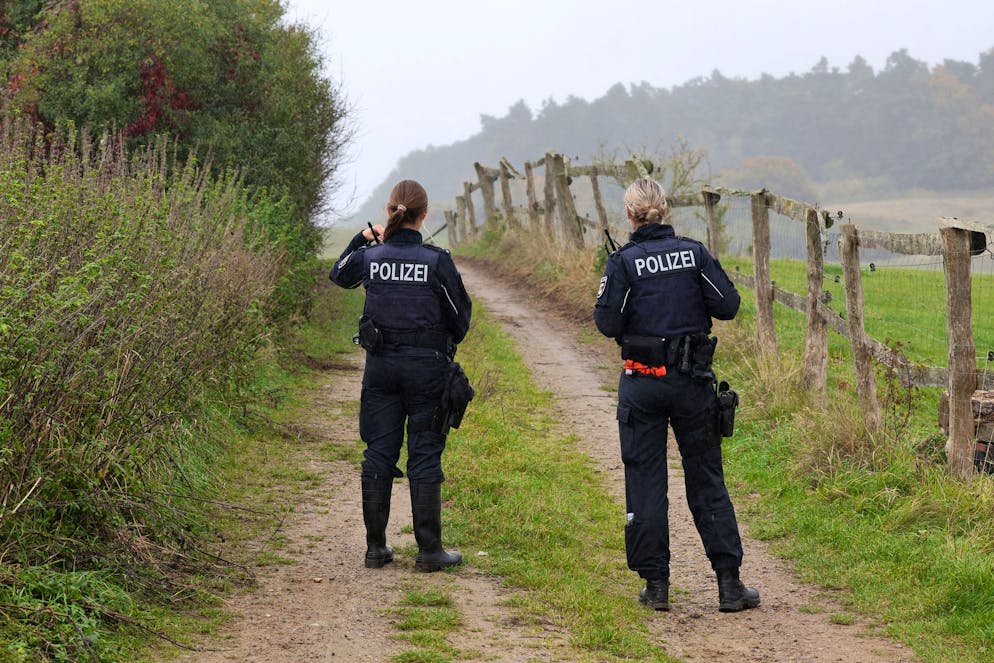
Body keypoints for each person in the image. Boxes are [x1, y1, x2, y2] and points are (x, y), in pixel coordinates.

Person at [593, 177, 760, 612]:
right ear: (665, 210)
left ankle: (657, 586)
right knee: (706, 479)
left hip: (642, 384)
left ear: (629, 215)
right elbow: (728, 305)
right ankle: (729, 585)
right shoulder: (694, 253)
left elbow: (608, 323)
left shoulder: (623, 263)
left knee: (646, 482)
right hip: (692, 384)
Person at [330, 179, 472, 572]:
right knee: (424, 452)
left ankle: (376, 549)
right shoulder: (436, 260)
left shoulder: (371, 257)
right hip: (427, 370)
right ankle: (429, 552)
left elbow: (339, 275)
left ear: (389, 210)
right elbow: (461, 320)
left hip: (382, 369)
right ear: (424, 215)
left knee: (378, 451)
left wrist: (362, 238)